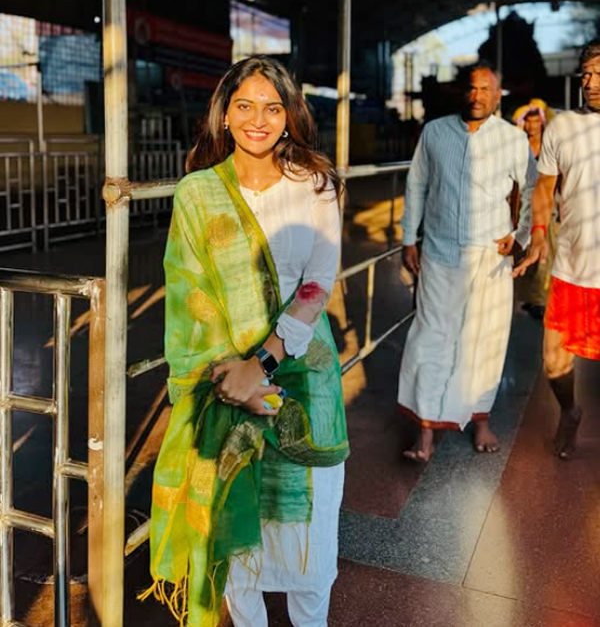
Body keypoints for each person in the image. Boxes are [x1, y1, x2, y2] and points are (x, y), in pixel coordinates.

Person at [142, 56, 349, 627]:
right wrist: (230, 381)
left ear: (289, 117)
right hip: (224, 385)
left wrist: (260, 367)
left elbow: (315, 285)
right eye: (244, 106)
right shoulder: (197, 193)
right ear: (224, 116)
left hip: (303, 381)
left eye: (272, 107)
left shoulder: (316, 185)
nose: (258, 119)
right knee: (240, 558)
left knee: (309, 556)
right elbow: (189, 301)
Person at [398, 63, 536, 462]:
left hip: (489, 257)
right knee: (430, 337)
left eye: (485, 89)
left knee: (484, 342)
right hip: (439, 253)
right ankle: (424, 431)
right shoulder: (435, 132)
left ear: (498, 96)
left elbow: (532, 187)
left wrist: (521, 236)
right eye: (471, 88)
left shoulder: (511, 139)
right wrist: (410, 237)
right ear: (463, 93)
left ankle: (481, 420)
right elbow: (417, 185)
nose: (476, 96)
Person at [514, 40, 600, 460]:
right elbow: (545, 186)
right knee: (553, 363)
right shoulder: (563, 125)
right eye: (586, 74)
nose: (591, 82)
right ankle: (570, 411)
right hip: (571, 267)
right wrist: (540, 233)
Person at [511, 100, 556, 319]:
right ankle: (529, 296)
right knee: (524, 250)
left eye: (536, 121)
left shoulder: (548, 144)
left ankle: (540, 298)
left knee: (545, 252)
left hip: (546, 204)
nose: (532, 125)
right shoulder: (519, 145)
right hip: (522, 203)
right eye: (528, 122)